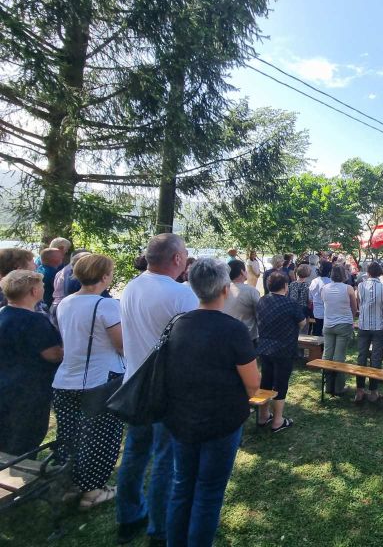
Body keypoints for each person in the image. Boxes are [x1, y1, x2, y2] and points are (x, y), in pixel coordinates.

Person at [163, 258, 260, 547]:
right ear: (225, 288)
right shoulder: (233, 329)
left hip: (181, 417)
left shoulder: (177, 323)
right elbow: (253, 383)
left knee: (182, 486)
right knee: (208, 491)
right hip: (221, 421)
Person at [116, 233, 199, 546]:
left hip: (134, 383)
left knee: (135, 453)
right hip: (167, 389)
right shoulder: (181, 295)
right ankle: (160, 527)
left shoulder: (131, 287)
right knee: (166, 459)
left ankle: (128, 516)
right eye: (185, 253)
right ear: (177, 258)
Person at [52, 254, 124, 509]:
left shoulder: (65, 303)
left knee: (69, 435)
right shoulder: (106, 305)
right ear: (104, 276)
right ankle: (92, 490)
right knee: (101, 436)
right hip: (99, 378)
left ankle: (69, 483)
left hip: (65, 378)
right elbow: (121, 344)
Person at [0, 270, 63, 455]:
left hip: (5, 385)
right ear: (34, 291)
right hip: (29, 390)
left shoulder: (3, 314)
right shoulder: (34, 321)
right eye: (41, 285)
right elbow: (52, 354)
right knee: (24, 441)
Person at [256, 272, 305, 431]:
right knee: (280, 383)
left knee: (266, 381)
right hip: (284, 349)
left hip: (264, 348)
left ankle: (263, 416)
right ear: (285, 286)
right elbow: (302, 323)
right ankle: (277, 421)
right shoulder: (290, 303)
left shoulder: (262, 301)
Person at [355, 262, 383, 403]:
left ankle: (359, 390)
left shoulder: (360, 286)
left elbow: (359, 304)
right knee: (376, 358)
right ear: (380, 273)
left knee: (361, 356)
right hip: (379, 325)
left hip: (363, 325)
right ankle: (373, 391)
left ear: (368, 272)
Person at [321, 264, 358, 395]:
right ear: (344, 275)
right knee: (339, 356)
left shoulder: (324, 288)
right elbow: (354, 308)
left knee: (327, 355)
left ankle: (327, 386)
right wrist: (351, 318)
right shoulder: (348, 288)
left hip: (328, 324)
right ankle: (338, 387)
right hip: (344, 323)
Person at [223, 260, 260, 349]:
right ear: (242, 272)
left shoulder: (222, 290)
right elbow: (259, 315)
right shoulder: (251, 291)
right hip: (247, 337)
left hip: (226, 335)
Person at [308, 260, 333, 336]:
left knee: (317, 330)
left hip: (317, 311)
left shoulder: (314, 281)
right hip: (329, 311)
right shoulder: (331, 282)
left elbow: (310, 297)